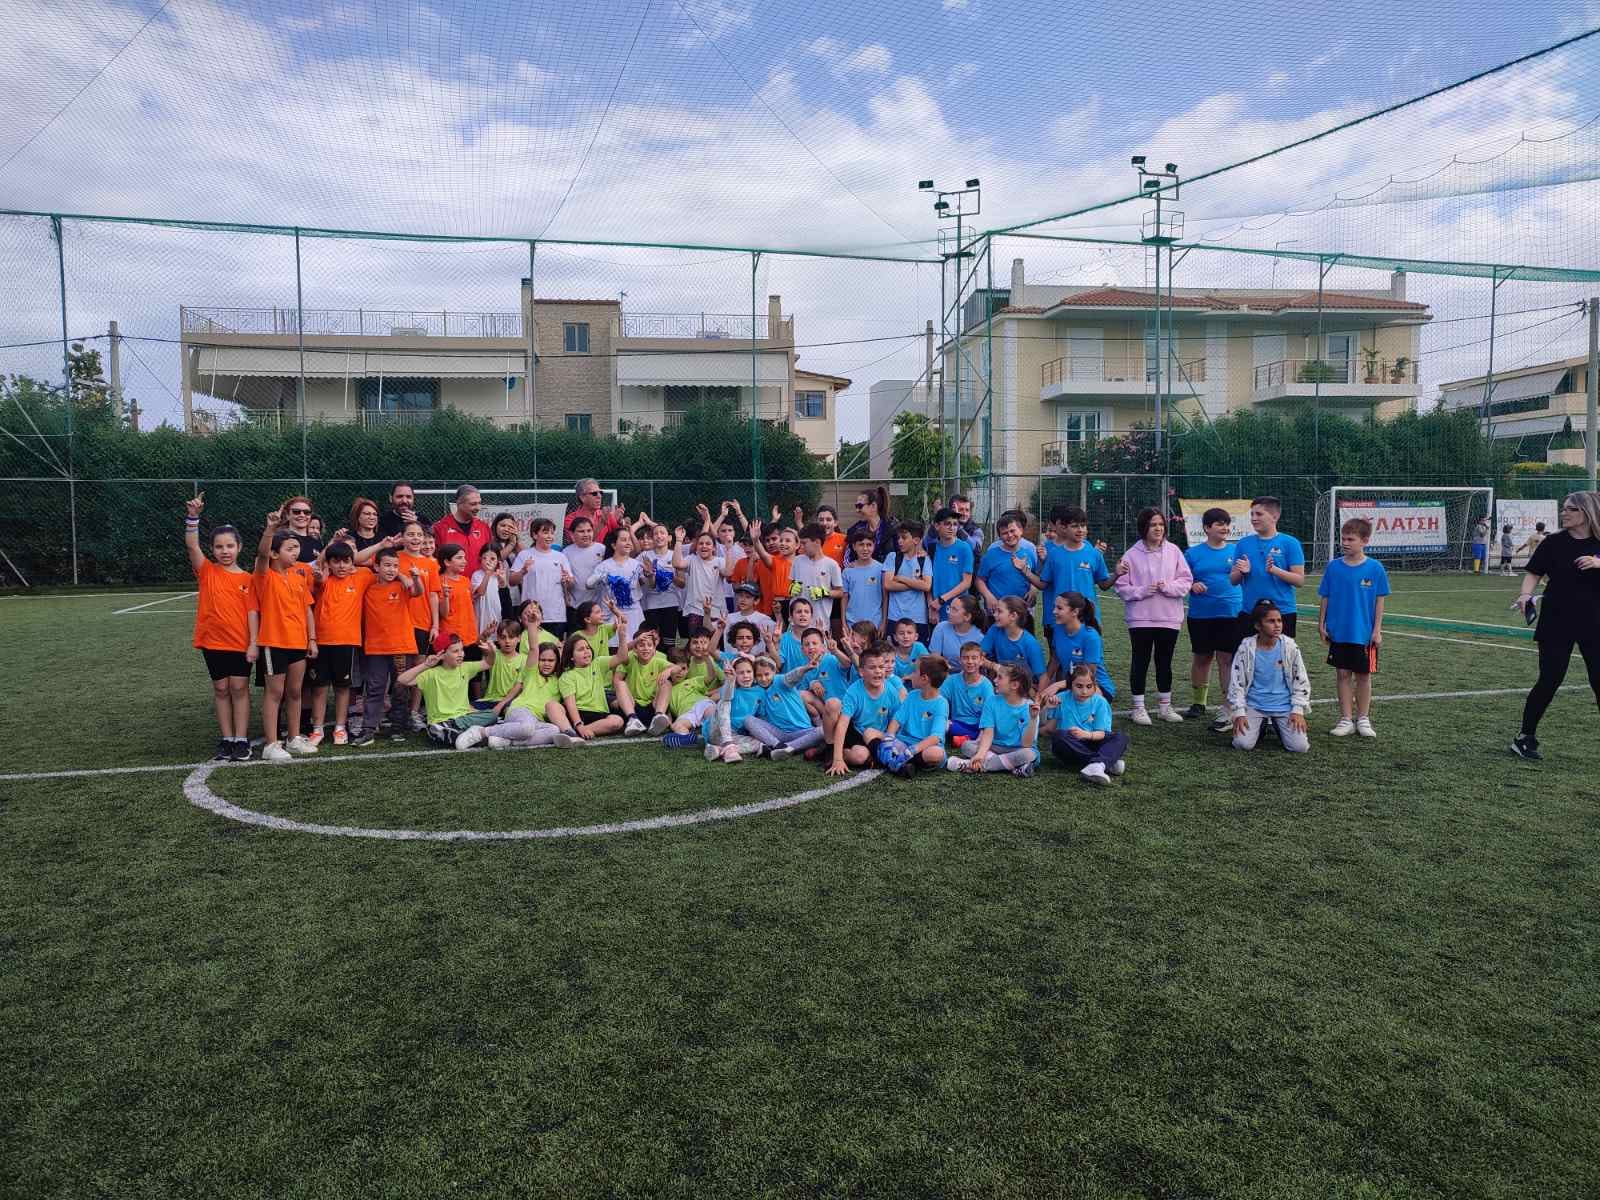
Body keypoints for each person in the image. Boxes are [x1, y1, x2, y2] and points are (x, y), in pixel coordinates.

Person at [1509, 491, 1600, 761]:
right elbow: (1533, 573)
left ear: (1586, 512)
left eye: (1570, 509)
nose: (1564, 513)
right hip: (1557, 619)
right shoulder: (1553, 542)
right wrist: (1525, 595)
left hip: (1595, 621)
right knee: (1549, 679)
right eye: (1564, 508)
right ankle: (1524, 738)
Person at [184, 493, 257, 762]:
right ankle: (227, 739)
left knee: (239, 688)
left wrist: (253, 643)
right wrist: (193, 517)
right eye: (219, 547)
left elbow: (252, 613)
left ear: (239, 547)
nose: (225, 551)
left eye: (229, 546)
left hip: (240, 643)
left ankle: (241, 739)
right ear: (213, 550)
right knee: (221, 689)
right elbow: (192, 546)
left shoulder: (249, 579)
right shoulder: (207, 571)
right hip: (212, 642)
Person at [1115, 507, 1193, 725]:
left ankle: (1165, 707)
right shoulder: (1131, 555)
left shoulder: (1174, 551)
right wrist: (1141, 591)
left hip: (1169, 618)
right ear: (1143, 528)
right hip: (1140, 618)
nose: (1158, 529)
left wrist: (1168, 587)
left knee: (1164, 662)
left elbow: (1186, 581)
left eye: (1160, 524)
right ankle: (1138, 708)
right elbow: (1121, 587)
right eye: (1152, 525)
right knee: (1140, 661)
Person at [253, 511, 317, 762]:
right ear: (275, 553)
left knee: (295, 691)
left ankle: (293, 738)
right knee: (275, 693)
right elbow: (261, 555)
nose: (295, 553)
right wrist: (270, 530)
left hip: (298, 643)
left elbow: (307, 609)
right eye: (290, 548)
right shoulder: (265, 575)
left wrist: (311, 639)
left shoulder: (299, 577)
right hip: (274, 643)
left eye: (297, 548)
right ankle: (271, 744)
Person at [1318, 516, 1390, 739]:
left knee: (1364, 675)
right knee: (1342, 674)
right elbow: (1325, 597)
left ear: (1365, 541)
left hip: (1364, 633)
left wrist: (1377, 630)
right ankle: (1346, 719)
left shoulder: (1375, 568)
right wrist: (1321, 624)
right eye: (1344, 538)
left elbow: (1379, 601)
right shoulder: (1333, 567)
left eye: (1351, 539)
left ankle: (1363, 718)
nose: (1345, 543)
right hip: (1339, 631)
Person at [349, 547, 420, 746]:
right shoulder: (368, 585)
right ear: (376, 566)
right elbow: (356, 562)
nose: (391, 569)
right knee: (375, 688)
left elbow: (417, 591)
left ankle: (398, 727)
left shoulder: (402, 585)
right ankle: (368, 729)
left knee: (400, 688)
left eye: (395, 566)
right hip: (375, 648)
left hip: (401, 647)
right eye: (387, 565)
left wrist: (410, 577)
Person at [1184, 506, 1243, 727]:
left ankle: (1227, 704)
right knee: (1202, 657)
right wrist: (1192, 584)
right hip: (1201, 614)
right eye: (1219, 524)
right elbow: (1181, 579)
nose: (1225, 528)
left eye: (1227, 524)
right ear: (1207, 528)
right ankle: (1199, 702)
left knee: (1226, 659)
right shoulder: (1192, 554)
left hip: (1231, 614)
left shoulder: (1237, 551)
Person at [306, 540, 370, 746]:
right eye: (336, 561)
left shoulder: (361, 576)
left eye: (346, 561)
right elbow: (318, 567)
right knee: (319, 687)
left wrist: (380, 546)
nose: (341, 566)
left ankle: (340, 728)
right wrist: (331, 545)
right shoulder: (321, 580)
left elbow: (378, 564)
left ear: (353, 562)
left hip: (346, 642)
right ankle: (317, 729)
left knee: (343, 687)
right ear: (329, 563)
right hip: (321, 642)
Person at [1228, 599, 1311, 754]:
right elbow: (1236, 683)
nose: (1277, 625)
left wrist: (1297, 710)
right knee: (1242, 744)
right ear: (1258, 626)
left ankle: (1279, 725)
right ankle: (1260, 726)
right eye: (1271, 621)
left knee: (1300, 747)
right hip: (1254, 706)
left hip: (1284, 706)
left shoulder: (1290, 647)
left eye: (1279, 620)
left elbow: (1301, 680)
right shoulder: (1245, 648)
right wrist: (1239, 712)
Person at [1021, 505, 1111, 643]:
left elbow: (1102, 583)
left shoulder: (1092, 552)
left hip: (1087, 617)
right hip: (1058, 616)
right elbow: (1043, 582)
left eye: (1083, 526)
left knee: (1089, 653)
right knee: (1059, 652)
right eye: (1075, 526)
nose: (1080, 529)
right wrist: (1026, 571)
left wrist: (1118, 573)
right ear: (1062, 527)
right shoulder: (1052, 553)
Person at [473, 642, 578, 751]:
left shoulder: (561, 679)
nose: (546, 664)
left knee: (554, 730)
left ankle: (507, 741)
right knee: (527, 728)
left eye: (551, 660)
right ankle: (482, 731)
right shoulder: (531, 671)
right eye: (542, 660)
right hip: (521, 710)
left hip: (538, 720)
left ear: (557, 661)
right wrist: (532, 627)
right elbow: (533, 648)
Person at [824, 641, 906, 775]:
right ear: (861, 672)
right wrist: (838, 759)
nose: (878, 671)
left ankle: (866, 756)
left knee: (860, 755)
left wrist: (888, 740)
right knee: (832, 703)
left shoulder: (891, 691)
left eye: (881, 667)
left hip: (875, 736)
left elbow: (896, 721)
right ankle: (830, 750)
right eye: (872, 667)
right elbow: (842, 724)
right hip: (856, 732)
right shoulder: (854, 691)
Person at [1229, 496, 1306, 638]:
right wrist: (1242, 572)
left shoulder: (1290, 543)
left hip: (1282, 613)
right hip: (1250, 612)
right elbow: (1233, 580)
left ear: (1275, 517)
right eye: (1252, 514)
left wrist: (1275, 571)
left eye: (1259, 514)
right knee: (1247, 652)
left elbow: (1299, 580)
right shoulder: (1243, 544)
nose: (1253, 518)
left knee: (1280, 653)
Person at [396, 636, 491, 747]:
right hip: (441, 721)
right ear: (442, 654)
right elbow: (402, 680)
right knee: (445, 731)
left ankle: (464, 734)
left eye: (461, 650)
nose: (461, 654)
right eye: (455, 651)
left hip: (462, 718)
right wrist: (425, 665)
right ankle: (461, 734)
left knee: (491, 715)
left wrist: (491, 651)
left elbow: (489, 663)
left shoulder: (465, 667)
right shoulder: (431, 674)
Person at [1044, 664, 1128, 785]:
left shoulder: (1100, 702)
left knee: (1121, 737)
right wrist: (1049, 708)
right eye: (1079, 686)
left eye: (1089, 686)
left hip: (1093, 741)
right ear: (1070, 685)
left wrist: (1086, 735)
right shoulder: (1060, 698)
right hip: (1070, 745)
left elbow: (1102, 734)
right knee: (1059, 736)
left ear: (1094, 686)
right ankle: (1104, 763)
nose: (1084, 691)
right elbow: (1048, 728)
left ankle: (1098, 765)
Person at [950, 663, 1039, 777]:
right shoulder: (991, 701)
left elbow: (1027, 744)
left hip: (1018, 749)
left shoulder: (1030, 707)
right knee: (967, 746)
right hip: (994, 747)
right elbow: (988, 733)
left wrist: (1033, 719)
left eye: (1000, 677)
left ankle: (971, 765)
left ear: (1014, 685)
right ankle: (1014, 767)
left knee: (1028, 754)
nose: (995, 680)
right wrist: (980, 754)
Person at [877, 654, 951, 776]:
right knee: (870, 733)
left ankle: (900, 762)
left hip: (924, 748)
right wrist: (889, 738)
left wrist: (912, 751)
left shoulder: (941, 703)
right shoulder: (912, 695)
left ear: (924, 678)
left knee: (936, 753)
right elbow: (897, 720)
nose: (911, 675)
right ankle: (902, 764)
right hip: (903, 743)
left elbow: (935, 737)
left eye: (915, 672)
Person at [743, 653, 827, 761]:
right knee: (748, 720)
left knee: (822, 731)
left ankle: (787, 748)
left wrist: (805, 668)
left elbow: (792, 676)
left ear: (774, 672)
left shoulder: (780, 681)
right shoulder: (758, 691)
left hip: (802, 732)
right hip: (779, 734)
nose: (763, 679)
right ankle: (777, 746)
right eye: (759, 675)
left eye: (767, 674)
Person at [558, 625, 629, 741]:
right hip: (579, 713)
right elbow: (571, 704)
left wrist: (622, 636)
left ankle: (578, 733)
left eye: (587, 648)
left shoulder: (598, 663)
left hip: (600, 714)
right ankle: (579, 729)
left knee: (617, 721)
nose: (586, 651)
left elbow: (622, 657)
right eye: (581, 649)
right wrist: (578, 724)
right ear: (571, 657)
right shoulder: (567, 676)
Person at [1049, 592, 1113, 699]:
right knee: (1045, 701)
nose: (1054, 611)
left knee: (1069, 701)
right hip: (1071, 685)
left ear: (1075, 612)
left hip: (1093, 685)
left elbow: (1088, 676)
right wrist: (1041, 692)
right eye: (1055, 607)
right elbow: (1054, 661)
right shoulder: (1057, 629)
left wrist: (1058, 685)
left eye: (1059, 608)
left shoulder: (1090, 636)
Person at [614, 625, 676, 736]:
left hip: (653, 707)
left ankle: (658, 716)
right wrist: (628, 638)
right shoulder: (629, 659)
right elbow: (617, 674)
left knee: (667, 683)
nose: (646, 648)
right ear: (635, 649)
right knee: (620, 683)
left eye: (649, 645)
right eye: (641, 645)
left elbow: (678, 668)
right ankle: (633, 720)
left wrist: (669, 670)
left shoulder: (659, 661)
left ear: (654, 649)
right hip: (632, 707)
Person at [588, 526, 645, 642]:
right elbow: (588, 585)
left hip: (634, 615)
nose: (628, 543)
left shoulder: (637, 564)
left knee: (635, 646)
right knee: (613, 648)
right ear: (614, 545)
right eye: (623, 540)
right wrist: (601, 576)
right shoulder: (604, 566)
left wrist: (650, 574)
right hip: (611, 616)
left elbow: (648, 584)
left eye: (629, 540)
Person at [883, 521, 934, 644]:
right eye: (898, 538)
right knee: (893, 653)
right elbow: (888, 584)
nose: (899, 541)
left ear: (916, 540)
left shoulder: (924, 559)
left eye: (904, 538)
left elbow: (927, 586)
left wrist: (901, 578)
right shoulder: (892, 557)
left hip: (918, 618)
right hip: (895, 617)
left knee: (918, 653)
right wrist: (917, 584)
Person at [638, 523, 686, 650]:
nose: (659, 536)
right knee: (652, 642)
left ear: (669, 537)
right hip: (650, 605)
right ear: (652, 538)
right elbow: (640, 581)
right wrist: (649, 576)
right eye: (655, 534)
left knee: (669, 643)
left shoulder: (675, 555)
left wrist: (670, 576)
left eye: (662, 533)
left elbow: (682, 583)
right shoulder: (644, 556)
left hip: (671, 604)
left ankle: (670, 662)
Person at [976, 512, 1036, 612]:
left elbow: (1035, 575)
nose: (1010, 535)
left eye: (1012, 531)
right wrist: (988, 596)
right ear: (999, 536)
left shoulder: (1029, 553)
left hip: (1022, 610)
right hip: (997, 611)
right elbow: (979, 580)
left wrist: (1033, 589)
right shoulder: (991, 555)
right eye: (1004, 533)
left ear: (1021, 530)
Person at [940, 641, 995, 746]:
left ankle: (966, 739)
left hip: (978, 726)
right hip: (956, 723)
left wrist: (983, 733)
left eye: (974, 658)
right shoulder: (952, 680)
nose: (970, 661)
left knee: (988, 732)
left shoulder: (986, 685)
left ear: (981, 661)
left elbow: (990, 713)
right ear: (960, 660)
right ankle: (964, 739)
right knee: (941, 724)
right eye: (965, 658)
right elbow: (939, 699)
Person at [790, 523, 845, 629]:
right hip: (796, 622)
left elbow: (840, 592)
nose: (801, 547)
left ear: (817, 542)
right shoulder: (797, 561)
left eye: (804, 543)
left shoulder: (831, 564)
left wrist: (824, 593)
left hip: (820, 622)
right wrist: (792, 588)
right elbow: (792, 584)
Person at [926, 507, 976, 623]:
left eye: (955, 524)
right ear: (937, 526)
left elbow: (966, 582)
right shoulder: (932, 548)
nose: (952, 527)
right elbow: (927, 581)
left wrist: (942, 599)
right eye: (947, 524)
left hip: (958, 610)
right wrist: (931, 606)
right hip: (936, 610)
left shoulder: (964, 548)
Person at [430, 484, 492, 576]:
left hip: (480, 583)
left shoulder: (484, 527)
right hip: (450, 583)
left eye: (479, 503)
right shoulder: (439, 528)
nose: (478, 508)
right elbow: (432, 559)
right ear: (459, 503)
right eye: (473, 504)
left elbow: (491, 556)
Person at [980, 595, 1045, 678]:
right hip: (1003, 680)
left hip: (1024, 684)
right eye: (995, 611)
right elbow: (978, 655)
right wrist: (995, 666)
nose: (994, 615)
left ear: (1013, 616)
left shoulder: (1030, 643)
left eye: (999, 611)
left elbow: (1042, 677)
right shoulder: (995, 629)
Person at [747, 517, 796, 621]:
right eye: (767, 540)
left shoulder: (797, 560)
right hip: (768, 610)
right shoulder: (764, 561)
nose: (771, 543)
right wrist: (755, 541)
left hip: (792, 607)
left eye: (774, 539)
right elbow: (750, 583)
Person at [435, 545, 478, 657]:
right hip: (451, 639)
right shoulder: (439, 581)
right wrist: (445, 596)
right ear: (447, 562)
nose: (464, 561)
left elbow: (470, 608)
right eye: (459, 558)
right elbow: (443, 613)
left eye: (464, 557)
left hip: (470, 636)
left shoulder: (466, 580)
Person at [841, 530, 886, 634]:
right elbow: (844, 598)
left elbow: (885, 598)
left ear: (874, 546)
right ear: (854, 547)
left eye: (869, 545)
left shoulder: (881, 569)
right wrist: (844, 623)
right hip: (852, 623)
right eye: (861, 545)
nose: (865, 549)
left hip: (875, 623)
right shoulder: (848, 571)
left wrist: (883, 622)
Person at [845, 486, 896, 564]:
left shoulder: (893, 530)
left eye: (860, 506)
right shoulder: (854, 531)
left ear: (873, 506)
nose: (857, 510)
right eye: (856, 506)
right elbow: (848, 558)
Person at [929, 593, 983, 663]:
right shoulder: (941, 627)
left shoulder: (980, 637)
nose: (949, 612)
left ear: (967, 617)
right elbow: (934, 658)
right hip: (944, 669)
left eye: (954, 610)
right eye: (950, 608)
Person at [470, 547, 507, 633]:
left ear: (498, 561)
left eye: (492, 559)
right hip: (482, 614)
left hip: (496, 612)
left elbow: (503, 590)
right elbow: (481, 592)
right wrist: (487, 573)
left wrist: (502, 579)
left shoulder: (498, 574)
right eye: (484, 558)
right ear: (480, 559)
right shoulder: (477, 575)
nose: (488, 561)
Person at [888, 617, 929, 682]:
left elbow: (929, 667)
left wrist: (912, 676)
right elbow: (890, 677)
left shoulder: (919, 647)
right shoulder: (891, 655)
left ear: (916, 636)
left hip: (918, 685)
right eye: (901, 633)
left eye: (909, 633)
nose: (905, 636)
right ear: (895, 637)